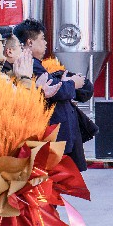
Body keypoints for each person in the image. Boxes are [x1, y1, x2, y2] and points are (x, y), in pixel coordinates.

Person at [14, 19, 92, 171]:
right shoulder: (29, 64)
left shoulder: (36, 64)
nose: (45, 43)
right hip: (52, 133)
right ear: (30, 42)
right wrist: (73, 83)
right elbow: (55, 90)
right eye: (42, 39)